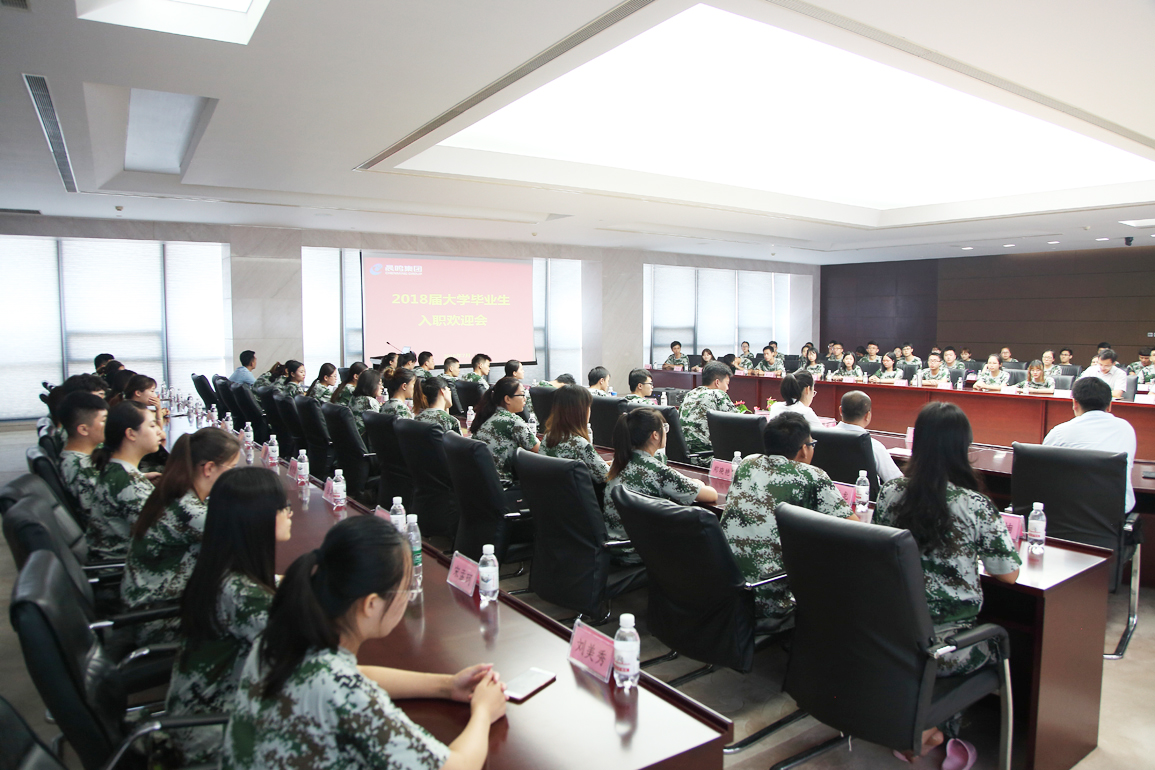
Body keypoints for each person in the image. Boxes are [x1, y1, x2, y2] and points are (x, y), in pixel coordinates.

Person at [223, 516, 506, 770]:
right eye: (405, 589)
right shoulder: (345, 691)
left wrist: (446, 686)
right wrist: (483, 711)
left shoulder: (284, 636)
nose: (408, 598)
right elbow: (454, 766)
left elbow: (355, 674)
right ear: (371, 604)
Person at [875, 402, 1020, 758]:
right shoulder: (974, 504)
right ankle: (930, 729)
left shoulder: (890, 492)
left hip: (891, 639)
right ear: (963, 448)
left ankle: (927, 728)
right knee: (1000, 641)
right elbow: (1008, 574)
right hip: (949, 649)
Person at [164, 466, 293, 767]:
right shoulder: (245, 597)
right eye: (284, 507)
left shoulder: (222, 568)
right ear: (259, 519)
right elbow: (322, 669)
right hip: (213, 735)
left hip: (199, 712)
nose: (290, 514)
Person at [721, 412, 856, 626]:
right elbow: (855, 529)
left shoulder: (747, 463)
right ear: (803, 449)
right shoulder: (812, 475)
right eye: (812, 444)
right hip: (766, 599)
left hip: (722, 588)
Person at [122, 428, 242, 645]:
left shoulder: (176, 490)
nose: (235, 475)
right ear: (209, 468)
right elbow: (244, 546)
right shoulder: (189, 511)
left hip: (151, 605)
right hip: (162, 620)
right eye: (232, 468)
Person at [603, 407, 717, 542]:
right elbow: (712, 495)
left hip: (613, 544)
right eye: (664, 427)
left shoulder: (619, 462)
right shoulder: (659, 472)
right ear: (655, 435)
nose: (666, 432)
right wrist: (698, 483)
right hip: (639, 550)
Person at [1044, 377, 1136, 512]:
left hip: (1069, 511)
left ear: (1075, 403)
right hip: (1115, 512)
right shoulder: (1126, 428)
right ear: (1109, 405)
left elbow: (1042, 471)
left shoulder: (1059, 433)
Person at [88, 401, 163, 561]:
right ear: (131, 434)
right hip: (127, 565)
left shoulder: (116, 469)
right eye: (152, 426)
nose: (159, 432)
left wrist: (142, 479)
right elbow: (165, 534)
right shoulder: (127, 483)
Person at [471, 376, 540, 482]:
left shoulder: (486, 415)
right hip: (504, 485)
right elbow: (540, 450)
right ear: (507, 399)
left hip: (482, 483)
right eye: (522, 394)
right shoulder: (513, 421)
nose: (525, 398)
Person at [541, 384, 609, 483]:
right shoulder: (580, 444)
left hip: (554, 492)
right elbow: (607, 476)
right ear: (581, 411)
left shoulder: (548, 438)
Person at [58, 391, 108, 526]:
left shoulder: (75, 458)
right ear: (84, 429)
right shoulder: (83, 469)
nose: (109, 425)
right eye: (104, 421)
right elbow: (103, 517)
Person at [834, 391, 903, 484]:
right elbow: (896, 483)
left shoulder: (822, 438)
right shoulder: (874, 446)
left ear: (840, 410)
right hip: (864, 493)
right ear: (867, 415)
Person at [679, 361, 736, 465]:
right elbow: (738, 424)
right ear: (717, 382)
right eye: (727, 384)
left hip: (686, 457)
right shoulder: (718, 394)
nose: (727, 388)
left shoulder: (690, 394)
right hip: (707, 458)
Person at [348, 369, 383, 438]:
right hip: (366, 439)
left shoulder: (353, 398)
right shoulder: (370, 401)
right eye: (379, 384)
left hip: (353, 438)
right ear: (371, 384)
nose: (382, 387)